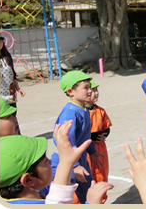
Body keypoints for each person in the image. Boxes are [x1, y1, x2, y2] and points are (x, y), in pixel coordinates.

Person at [0, 121, 113, 205]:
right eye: (44, 161)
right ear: (28, 180)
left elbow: (54, 172)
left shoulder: (22, 194)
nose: (49, 161)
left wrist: (63, 154)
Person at [50, 71, 104, 204]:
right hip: (65, 162)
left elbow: (85, 136)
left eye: (90, 87)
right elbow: (63, 140)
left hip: (80, 159)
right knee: (60, 197)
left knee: (88, 194)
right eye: (86, 88)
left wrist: (92, 152)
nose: (90, 91)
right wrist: (74, 166)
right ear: (70, 92)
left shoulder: (84, 109)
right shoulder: (70, 113)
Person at [85, 81, 112, 203]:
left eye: (96, 90)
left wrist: (105, 134)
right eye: (92, 90)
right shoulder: (81, 112)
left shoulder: (100, 111)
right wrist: (92, 136)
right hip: (86, 151)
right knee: (87, 178)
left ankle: (101, 201)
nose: (95, 93)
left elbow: (106, 126)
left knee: (101, 175)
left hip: (100, 149)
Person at [0, 34, 24, 134]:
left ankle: (17, 136)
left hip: (10, 95)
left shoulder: (7, 57)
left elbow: (13, 75)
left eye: (0, 41)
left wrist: (18, 88)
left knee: (13, 118)